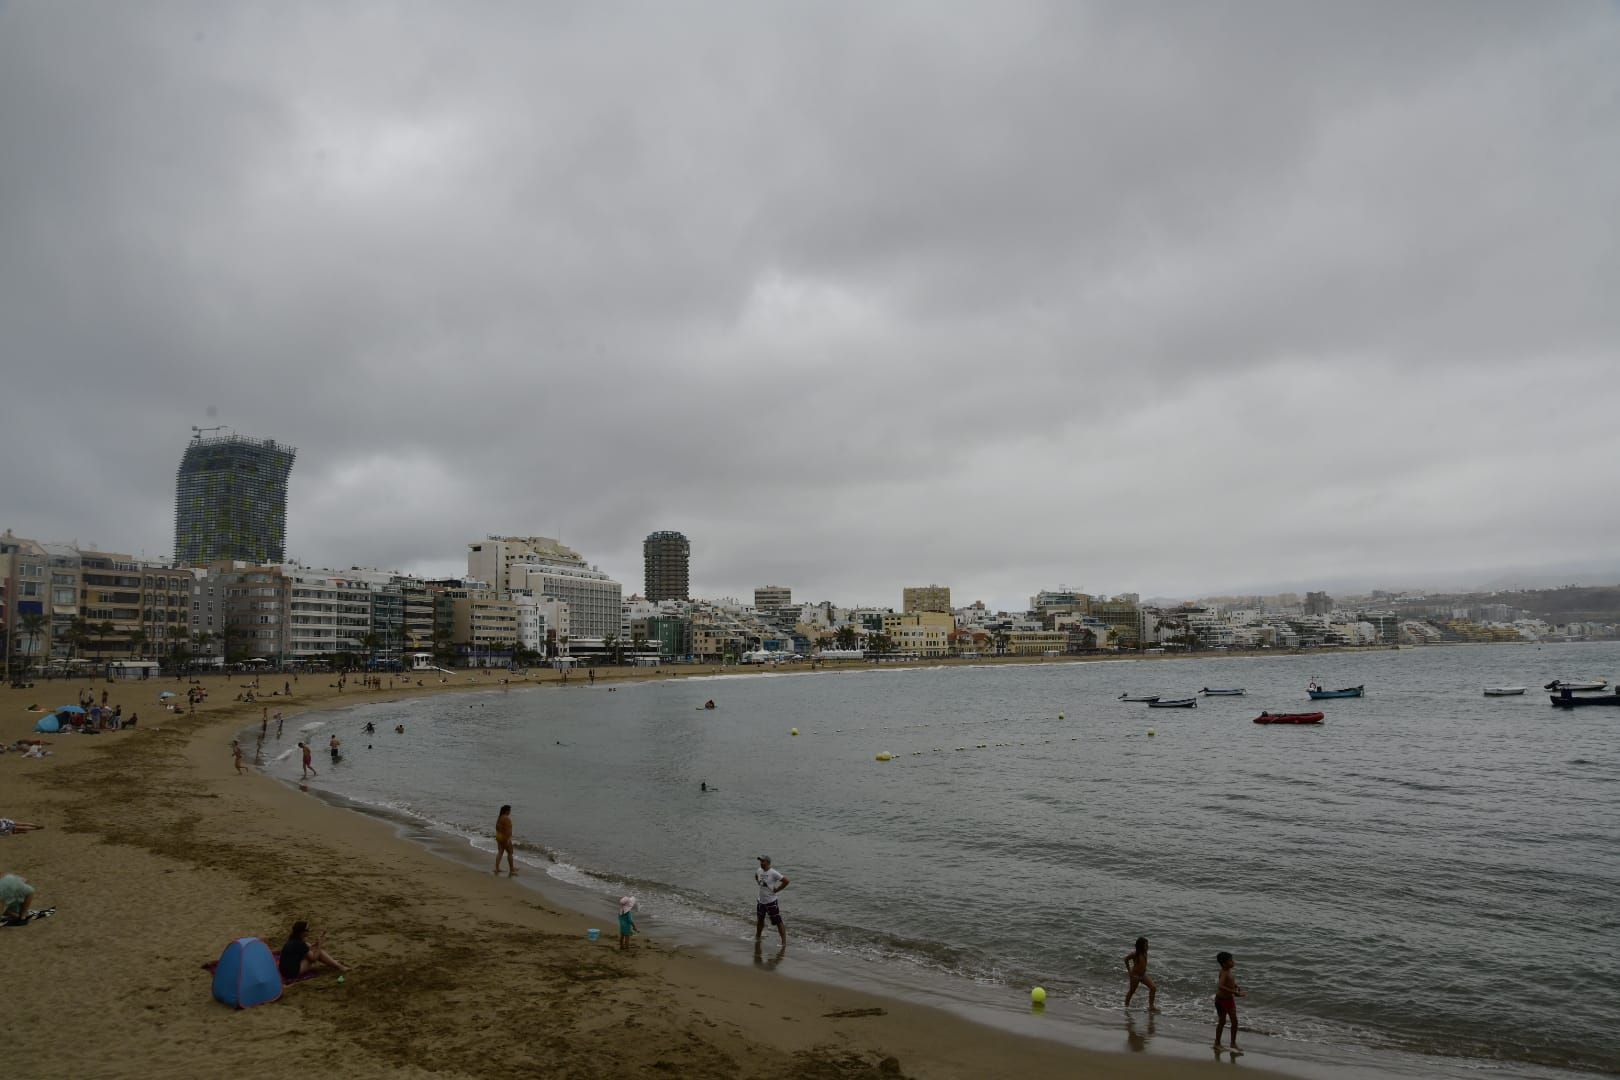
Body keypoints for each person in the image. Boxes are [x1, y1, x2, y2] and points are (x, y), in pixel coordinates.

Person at [278, 920, 349, 980]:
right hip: (292, 973)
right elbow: (314, 959)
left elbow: (305, 948)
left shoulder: (292, 940)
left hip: (284, 970)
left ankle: (334, 963)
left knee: (314, 949)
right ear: (302, 932)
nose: (309, 931)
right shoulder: (300, 944)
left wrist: (316, 944)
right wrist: (320, 945)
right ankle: (339, 966)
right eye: (307, 929)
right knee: (318, 952)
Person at [1214, 951, 1246, 1055]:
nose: (1233, 962)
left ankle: (1233, 1043)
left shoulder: (1228, 971)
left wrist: (1235, 985)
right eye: (1230, 960)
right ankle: (1217, 1043)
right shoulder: (1224, 972)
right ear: (1224, 964)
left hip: (1229, 1000)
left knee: (1234, 1021)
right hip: (1221, 1000)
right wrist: (1234, 992)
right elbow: (1221, 986)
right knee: (1222, 1022)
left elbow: (1230, 981)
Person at [754, 855, 789, 946]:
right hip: (761, 901)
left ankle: (784, 942)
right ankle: (758, 936)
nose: (761, 863)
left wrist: (777, 890)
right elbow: (756, 876)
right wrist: (759, 882)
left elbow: (786, 881)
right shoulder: (759, 870)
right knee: (760, 920)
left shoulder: (773, 873)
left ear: (768, 862)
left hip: (771, 902)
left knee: (778, 921)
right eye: (760, 861)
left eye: (763, 861)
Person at [1124, 936, 1159, 1012]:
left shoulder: (1145, 953)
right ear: (1141, 946)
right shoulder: (1135, 954)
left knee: (1153, 988)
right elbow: (1126, 959)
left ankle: (1151, 1007)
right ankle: (1126, 1007)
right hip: (1135, 976)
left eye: (1147, 945)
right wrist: (1129, 971)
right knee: (1132, 991)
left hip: (1143, 975)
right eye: (1145, 945)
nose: (1147, 946)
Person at [494, 805, 515, 876]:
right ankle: (512, 869)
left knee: (500, 852)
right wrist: (508, 839)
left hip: (499, 836)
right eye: (509, 810)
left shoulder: (500, 817)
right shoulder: (506, 818)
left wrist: (499, 836)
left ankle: (497, 868)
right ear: (506, 811)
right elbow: (508, 830)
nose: (510, 812)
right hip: (504, 837)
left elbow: (497, 827)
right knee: (510, 852)